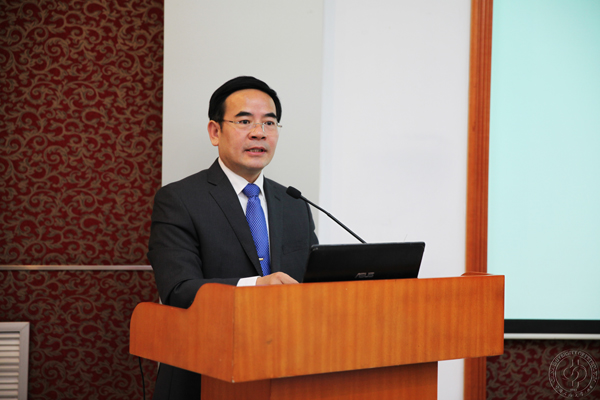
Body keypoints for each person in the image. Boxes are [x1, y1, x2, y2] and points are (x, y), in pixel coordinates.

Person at [148, 76, 318, 399]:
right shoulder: (179, 200)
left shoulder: (294, 203)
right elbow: (178, 289)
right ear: (215, 132)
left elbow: (311, 283)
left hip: (284, 372)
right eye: (244, 121)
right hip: (204, 373)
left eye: (269, 123)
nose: (259, 132)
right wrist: (256, 286)